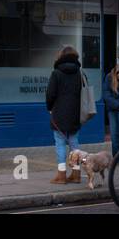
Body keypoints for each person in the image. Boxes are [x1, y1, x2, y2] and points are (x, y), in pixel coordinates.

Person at [45, 45, 85, 184]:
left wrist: (49, 107)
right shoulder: (79, 73)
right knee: (74, 145)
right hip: (75, 113)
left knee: (60, 144)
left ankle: (61, 175)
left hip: (59, 113)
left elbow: (50, 94)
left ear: (61, 57)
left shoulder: (56, 73)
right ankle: (76, 174)